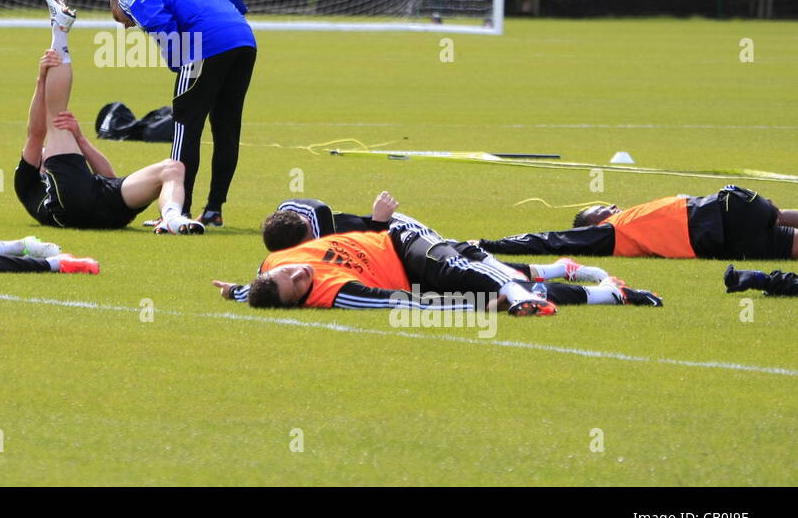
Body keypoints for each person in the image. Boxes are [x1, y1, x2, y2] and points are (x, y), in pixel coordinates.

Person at [214, 193, 662, 313]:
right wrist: (474, 309)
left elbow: (250, 290)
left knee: (455, 264)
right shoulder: (334, 294)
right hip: (409, 280)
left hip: (402, 240)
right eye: (297, 291)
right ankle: (611, 293)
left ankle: (541, 279)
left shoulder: (270, 267)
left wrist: (234, 292)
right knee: (500, 296)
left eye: (290, 275)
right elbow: (405, 303)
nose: (299, 277)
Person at [13, 0, 204, 234]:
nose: (45, 150)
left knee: (173, 168)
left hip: (110, 210)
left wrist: (81, 139)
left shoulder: (73, 168)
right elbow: (35, 133)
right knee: (57, 118)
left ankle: (171, 218)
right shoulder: (28, 180)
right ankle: (59, 30)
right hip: (71, 209)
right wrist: (41, 79)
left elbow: (109, 176)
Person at [110, 0, 257, 226]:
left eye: (121, 20)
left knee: (185, 130)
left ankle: (178, 212)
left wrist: (178, 62)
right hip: (244, 41)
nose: (127, 26)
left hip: (205, 45)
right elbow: (235, 5)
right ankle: (214, 211)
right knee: (226, 129)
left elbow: (159, 22)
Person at [266, 194, 612, 284]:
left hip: (400, 233)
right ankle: (557, 269)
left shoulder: (314, 221)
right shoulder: (304, 249)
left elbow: (319, 210)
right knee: (470, 270)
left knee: (473, 267)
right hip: (389, 253)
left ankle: (563, 278)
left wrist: (377, 221)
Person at [477, 185, 798, 261]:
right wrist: (488, 245)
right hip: (726, 215)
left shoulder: (634, 222)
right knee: (775, 216)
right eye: (601, 209)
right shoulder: (613, 229)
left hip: (721, 243)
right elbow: (549, 239)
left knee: (781, 232)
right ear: (594, 224)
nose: (612, 206)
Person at [724, 265, 798, 296]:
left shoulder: (745, 277)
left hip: (774, 283)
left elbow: (742, 286)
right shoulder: (742, 274)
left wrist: (732, 289)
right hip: (773, 281)